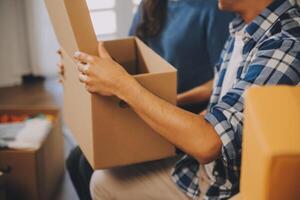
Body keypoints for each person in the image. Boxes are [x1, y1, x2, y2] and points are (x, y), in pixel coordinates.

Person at [73, 0, 300, 199]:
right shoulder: (243, 27)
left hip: (220, 183)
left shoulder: (285, 43)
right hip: (201, 162)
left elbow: (208, 143)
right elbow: (222, 99)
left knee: (100, 180)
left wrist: (122, 85)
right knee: (87, 164)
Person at [61, 0, 234, 199]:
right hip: (141, 104)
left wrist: (177, 98)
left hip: (181, 115)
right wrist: (82, 68)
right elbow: (128, 55)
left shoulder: (215, 9)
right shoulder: (151, 4)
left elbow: (219, 79)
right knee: (74, 160)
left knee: (86, 165)